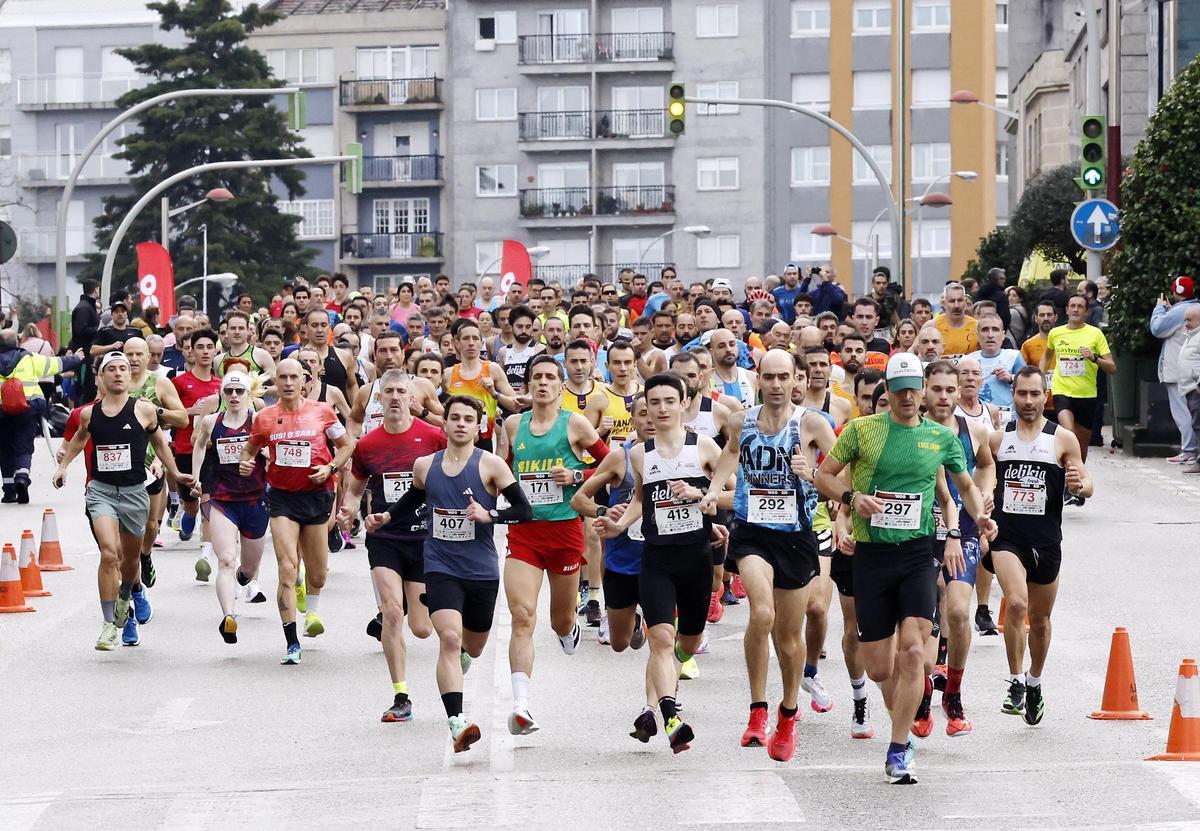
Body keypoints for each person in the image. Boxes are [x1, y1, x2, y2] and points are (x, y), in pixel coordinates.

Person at [814, 353, 996, 784]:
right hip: (872, 557)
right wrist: (850, 499)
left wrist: (980, 517)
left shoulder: (939, 437)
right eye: (901, 389)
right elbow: (824, 476)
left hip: (917, 553)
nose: (910, 396)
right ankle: (902, 714)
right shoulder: (862, 431)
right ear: (890, 393)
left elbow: (966, 486)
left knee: (915, 649)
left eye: (915, 387)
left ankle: (898, 750)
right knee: (879, 667)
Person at [366, 396, 532, 751]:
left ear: (477, 426)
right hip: (440, 565)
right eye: (454, 417)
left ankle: (464, 661)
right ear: (446, 424)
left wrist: (492, 516)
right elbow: (414, 499)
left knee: (471, 645)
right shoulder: (425, 465)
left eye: (467, 419)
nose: (459, 424)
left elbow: (524, 510)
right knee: (450, 639)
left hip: (481, 571)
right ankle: (457, 721)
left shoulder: (492, 466)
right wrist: (386, 518)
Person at [702, 351, 835, 761]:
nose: (777, 384)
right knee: (762, 613)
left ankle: (788, 712)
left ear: (797, 379)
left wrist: (810, 473)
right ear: (758, 378)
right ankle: (757, 709)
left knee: (789, 637)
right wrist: (714, 488)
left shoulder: (812, 423)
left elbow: (841, 473)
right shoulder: (742, 419)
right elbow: (730, 451)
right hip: (753, 532)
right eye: (769, 376)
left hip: (796, 536)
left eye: (784, 377)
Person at [596, 373, 725, 753]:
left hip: (696, 557)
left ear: (685, 403)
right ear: (647, 407)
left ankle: (671, 690)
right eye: (655, 402)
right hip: (657, 559)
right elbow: (640, 499)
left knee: (688, 640)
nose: (663, 408)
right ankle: (669, 713)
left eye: (671, 400)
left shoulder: (703, 447)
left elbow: (727, 492)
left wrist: (701, 494)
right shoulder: (639, 453)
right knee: (662, 638)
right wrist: (617, 525)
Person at [52, 352, 193, 650]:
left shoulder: (144, 410)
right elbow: (78, 439)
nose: (118, 374)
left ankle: (126, 596)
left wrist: (176, 472)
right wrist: (63, 467)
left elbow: (159, 443)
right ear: (101, 377)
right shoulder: (90, 414)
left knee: (130, 560)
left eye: (123, 369)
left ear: (130, 377)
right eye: (111, 369)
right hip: (101, 491)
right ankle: (107, 625)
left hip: (133, 492)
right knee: (108, 553)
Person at [503, 355, 607, 734]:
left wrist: (577, 473)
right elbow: (503, 471)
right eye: (536, 377)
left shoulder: (574, 424)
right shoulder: (514, 425)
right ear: (528, 384)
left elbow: (611, 464)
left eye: (550, 377)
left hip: (564, 533)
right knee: (522, 615)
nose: (543, 383)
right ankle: (521, 705)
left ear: (561, 385)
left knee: (559, 619)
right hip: (525, 533)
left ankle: (568, 631)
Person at [985, 366, 1092, 725]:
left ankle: (1034, 682)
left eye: (1035, 394)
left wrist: (1079, 485)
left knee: (1041, 621)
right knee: (1015, 603)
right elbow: (983, 479)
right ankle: (1015, 682)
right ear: (1012, 395)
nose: (1028, 401)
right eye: (1021, 394)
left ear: (1045, 396)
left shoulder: (1062, 439)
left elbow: (1086, 484)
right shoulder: (998, 440)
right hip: (1007, 537)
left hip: (1046, 540)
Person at [341, 370, 447, 721]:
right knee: (390, 610)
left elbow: (455, 473)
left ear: (412, 397)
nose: (396, 397)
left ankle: (454, 642)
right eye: (389, 392)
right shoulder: (368, 445)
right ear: (380, 399)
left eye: (402, 391)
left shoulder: (432, 437)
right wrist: (349, 511)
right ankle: (401, 696)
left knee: (421, 627)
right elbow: (355, 488)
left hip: (424, 538)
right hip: (385, 538)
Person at [241, 358, 355, 665]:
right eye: (283, 378)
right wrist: (245, 462)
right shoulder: (265, 417)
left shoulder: (322, 412)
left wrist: (330, 466)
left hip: (317, 495)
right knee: (287, 567)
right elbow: (249, 450)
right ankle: (291, 643)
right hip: (282, 499)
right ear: (275, 382)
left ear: (304, 381)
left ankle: (312, 610)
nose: (289, 383)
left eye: (295, 377)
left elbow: (347, 446)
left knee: (317, 573)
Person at [920, 362, 995, 737]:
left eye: (951, 389)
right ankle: (920, 694)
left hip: (961, 531)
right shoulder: (910, 430)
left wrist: (983, 502)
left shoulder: (974, 430)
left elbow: (986, 466)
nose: (945, 397)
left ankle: (953, 692)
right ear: (924, 390)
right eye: (937, 389)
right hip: (919, 533)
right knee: (922, 616)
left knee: (958, 613)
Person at [190, 371, 269, 644]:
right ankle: (228, 616)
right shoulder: (213, 421)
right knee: (225, 559)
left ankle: (243, 577)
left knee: (248, 568)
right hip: (223, 500)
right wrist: (197, 479)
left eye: (239, 391)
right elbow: (199, 447)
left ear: (248, 394)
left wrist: (261, 456)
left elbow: (272, 452)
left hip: (255, 500)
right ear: (222, 394)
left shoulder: (259, 420)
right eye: (229, 391)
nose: (234, 396)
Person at [0, 330, 83, 503]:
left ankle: (8, 491)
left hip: (1, 413)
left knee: (5, 450)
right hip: (26, 410)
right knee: (23, 447)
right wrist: (76, 358)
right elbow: (55, 364)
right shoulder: (29, 359)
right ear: (16, 342)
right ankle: (22, 478)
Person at [1042, 294, 1115, 474]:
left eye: (1080, 306)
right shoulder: (1056, 333)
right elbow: (1047, 356)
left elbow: (1112, 367)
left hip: (1087, 395)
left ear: (1086, 311)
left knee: (1081, 449)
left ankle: (1078, 477)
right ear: (1066, 310)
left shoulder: (1095, 334)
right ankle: (1065, 476)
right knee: (1069, 434)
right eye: (1072, 306)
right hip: (1062, 392)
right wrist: (1039, 377)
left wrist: (1094, 357)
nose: (1075, 309)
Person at [171, 329, 222, 551]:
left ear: (215, 350)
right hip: (185, 448)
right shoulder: (179, 382)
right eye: (200, 347)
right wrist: (192, 410)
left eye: (209, 347)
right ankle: (188, 515)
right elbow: (170, 414)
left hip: (211, 451)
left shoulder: (221, 385)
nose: (205, 352)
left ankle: (207, 550)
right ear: (191, 350)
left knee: (207, 501)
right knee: (191, 504)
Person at [1150, 276, 1199, 465]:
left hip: (1178, 368)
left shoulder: (1179, 311)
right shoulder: (1195, 309)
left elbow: (1157, 328)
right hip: (1193, 369)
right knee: (1193, 410)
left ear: (1174, 292)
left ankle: (1189, 450)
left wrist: (1159, 308)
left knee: (1183, 412)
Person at [965, 315, 1025, 426]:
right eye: (985, 330)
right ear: (977, 336)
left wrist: (1011, 378)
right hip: (976, 420)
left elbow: (1030, 384)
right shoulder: (968, 360)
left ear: (1003, 335)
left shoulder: (1013, 356)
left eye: (995, 330)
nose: (990, 335)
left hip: (1008, 419)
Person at [1177, 306, 1200, 475]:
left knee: (1198, 425)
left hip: (1196, 388)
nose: (1186, 324)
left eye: (1189, 320)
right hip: (1190, 388)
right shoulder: (1191, 337)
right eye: (1185, 319)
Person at [933, 283, 978, 359]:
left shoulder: (977, 326)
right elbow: (915, 350)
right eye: (952, 301)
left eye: (960, 300)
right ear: (944, 303)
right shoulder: (933, 326)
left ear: (965, 302)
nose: (956, 305)